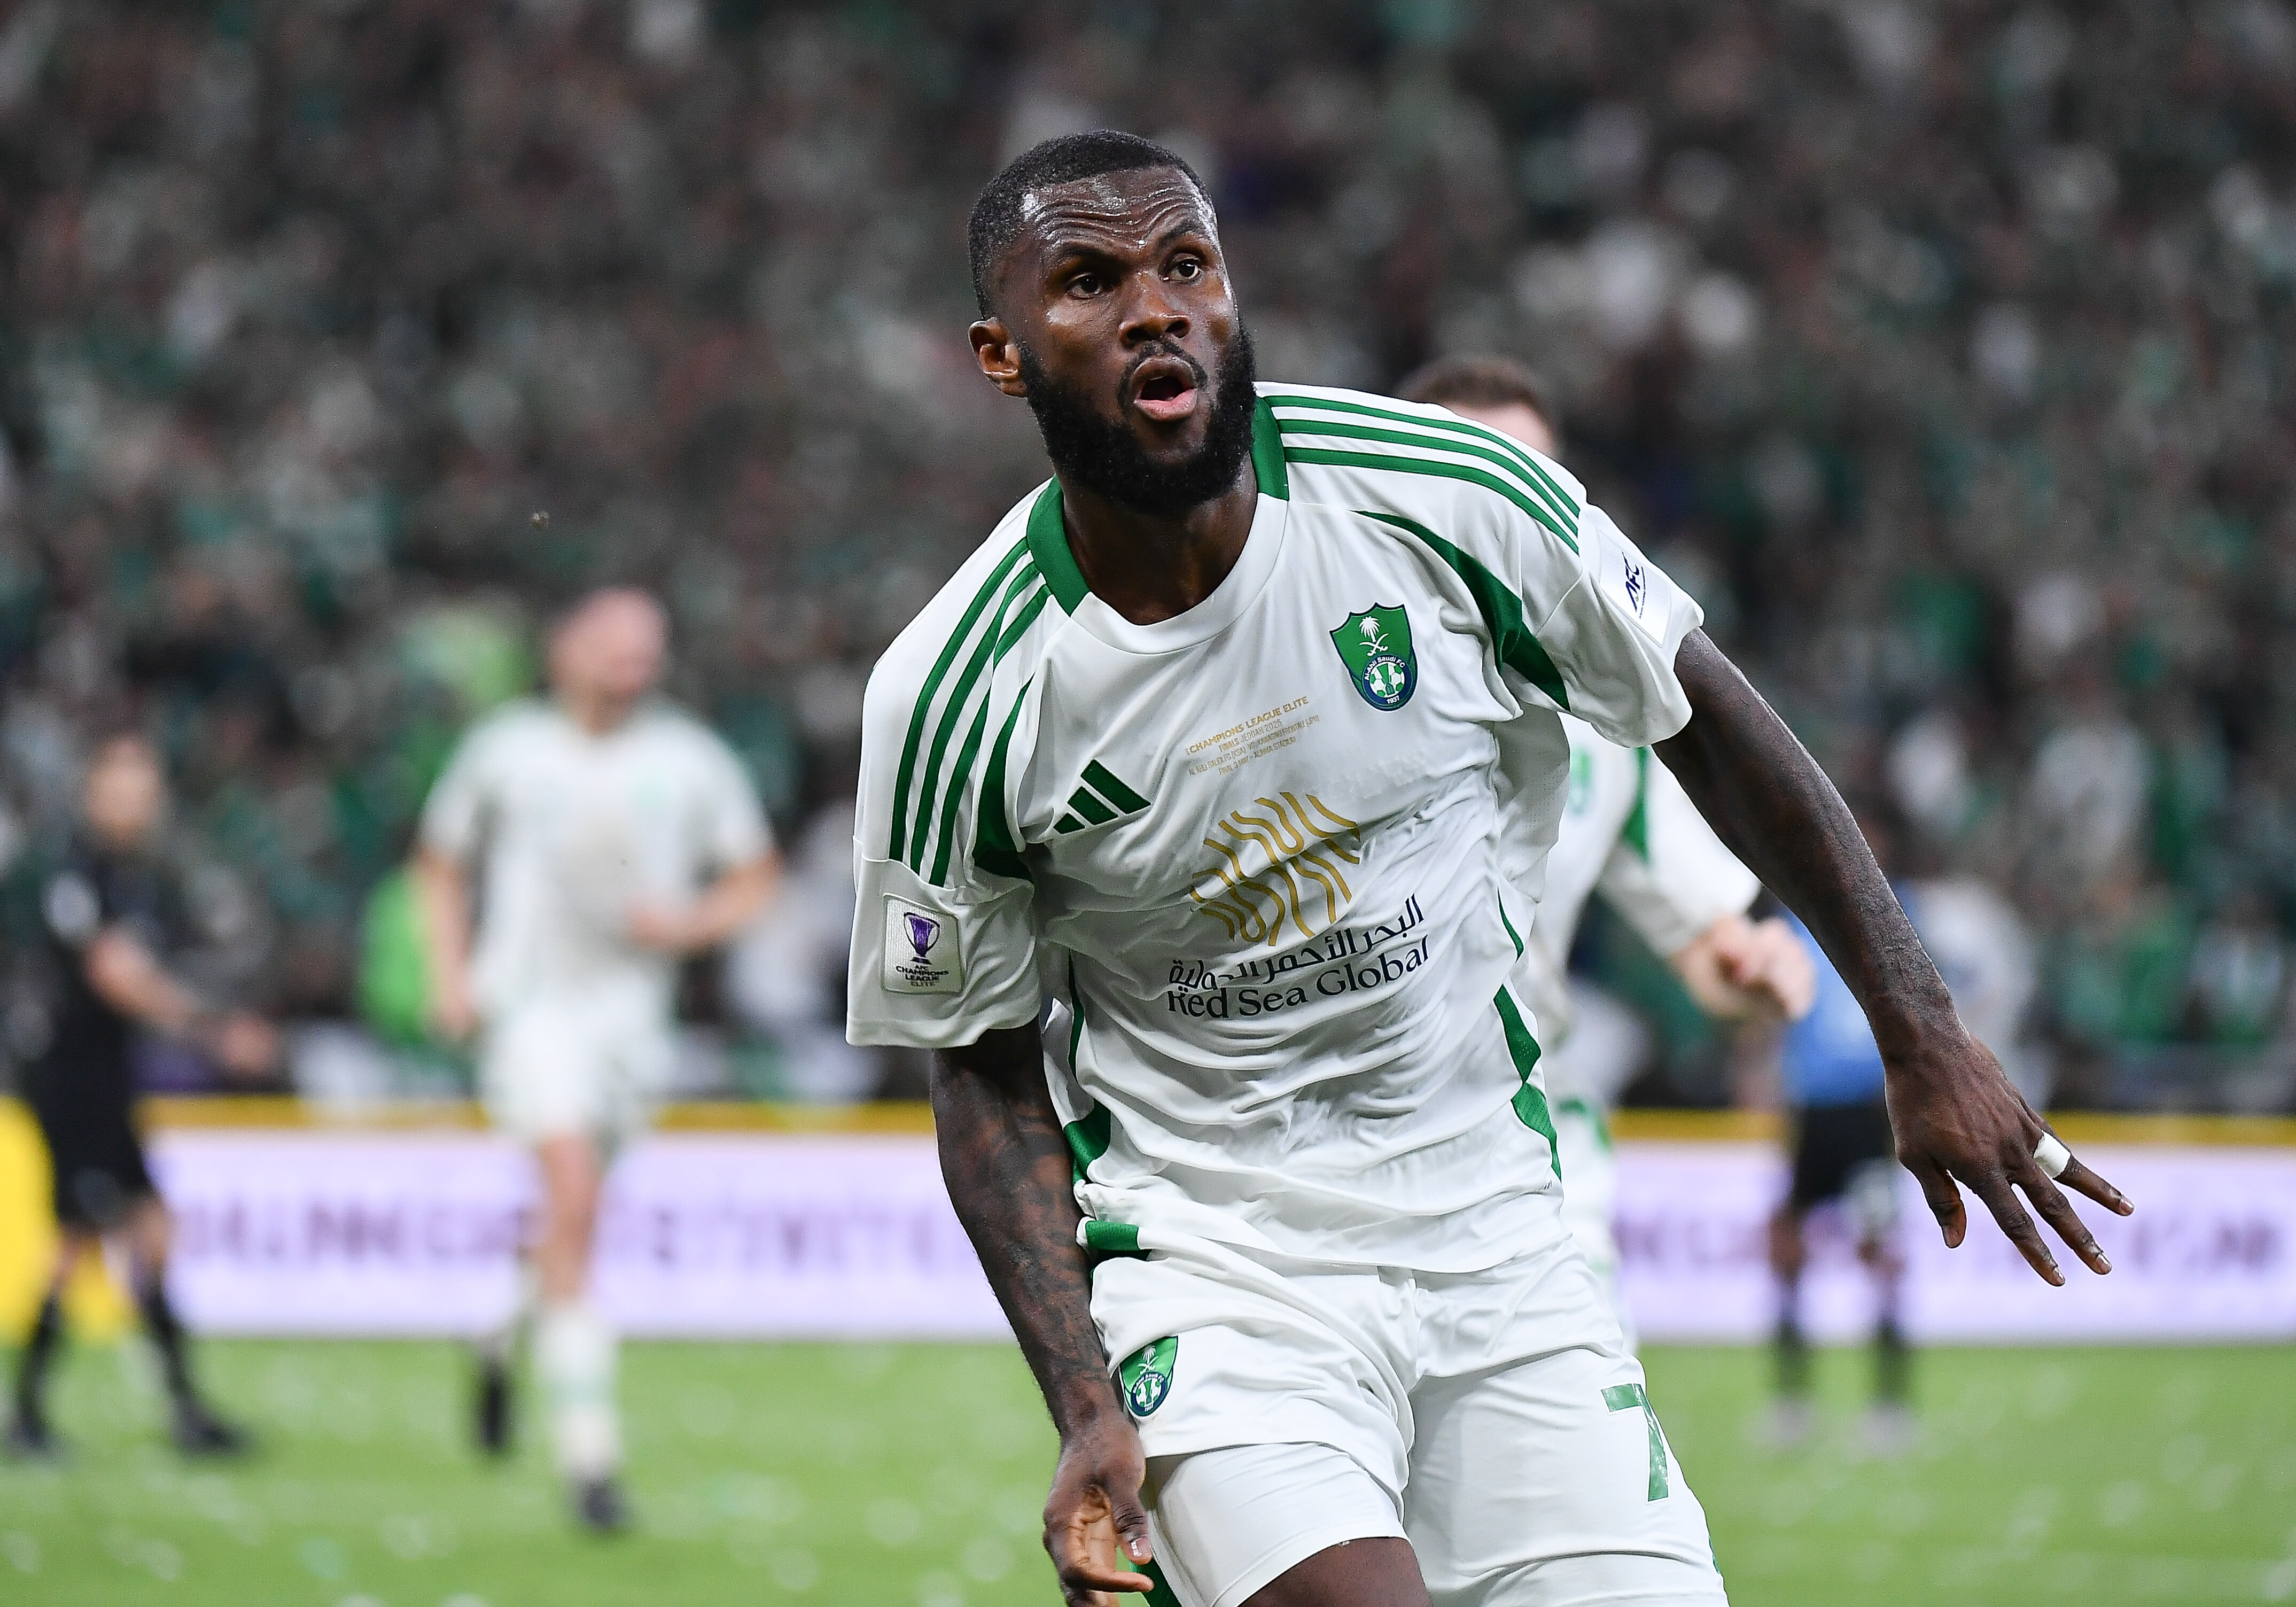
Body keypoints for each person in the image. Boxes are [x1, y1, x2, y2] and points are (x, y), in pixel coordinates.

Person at [847, 130, 2130, 1607]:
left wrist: (1919, 1027)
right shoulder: (953, 692)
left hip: (1504, 1239)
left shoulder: (1446, 493)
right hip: (1222, 1274)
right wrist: (1084, 1398)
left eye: (1186, 265)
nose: (1156, 309)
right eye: (1089, 281)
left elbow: (1707, 715)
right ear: (1000, 355)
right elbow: (978, 1063)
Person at [1399, 356, 1818, 1330]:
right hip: (1318, 1166)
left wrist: (1752, 967)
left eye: (1527, 486)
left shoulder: (1607, 723)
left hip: (1530, 1162)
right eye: (1468, 480)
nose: (1502, 520)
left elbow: (1708, 948)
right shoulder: (1305, 681)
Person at [416, 588, 779, 1531]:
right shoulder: (506, 749)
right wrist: (450, 975)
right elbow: (440, 861)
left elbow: (754, 875)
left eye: (648, 650)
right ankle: (591, 1459)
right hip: (531, 1009)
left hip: (632, 1026)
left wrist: (688, 924)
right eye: (617, 647)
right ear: (565, 650)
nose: (635, 665)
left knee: (570, 1218)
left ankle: (497, 1329)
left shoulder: (688, 758)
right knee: (574, 1196)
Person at [7, 733, 273, 1461]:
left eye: (145, 786)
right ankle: (28, 1414)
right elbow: (114, 974)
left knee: (151, 1231)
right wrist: (211, 1032)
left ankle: (182, 1410)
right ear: (93, 790)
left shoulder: (135, 876)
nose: (137, 799)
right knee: (78, 1239)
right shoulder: (74, 870)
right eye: (122, 783)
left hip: (107, 1076)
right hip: (69, 1078)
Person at [1760, 915, 1912, 1452]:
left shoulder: (1885, 919)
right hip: (1813, 1114)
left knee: (1879, 1255)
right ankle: (1792, 1402)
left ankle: (1889, 1405)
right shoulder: (1796, 929)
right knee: (1787, 1251)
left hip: (1865, 1116)